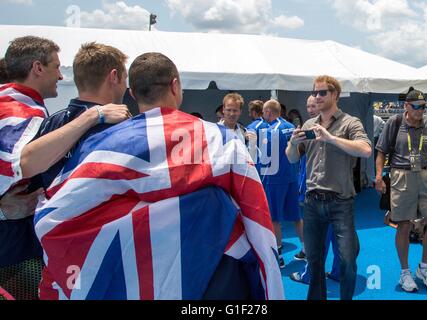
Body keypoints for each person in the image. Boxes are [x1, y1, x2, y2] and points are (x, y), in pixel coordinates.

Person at [34, 52, 284, 300]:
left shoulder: (102, 145)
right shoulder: (222, 139)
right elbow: (255, 213)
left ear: (132, 93)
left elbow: (57, 215)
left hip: (137, 274)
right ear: (175, 86)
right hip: (214, 271)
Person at [0, 36, 129, 300]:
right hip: (19, 248)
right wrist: (94, 115)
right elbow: (23, 163)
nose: (60, 76)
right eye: (56, 67)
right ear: (37, 68)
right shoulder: (16, 110)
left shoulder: (43, 116)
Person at [286, 75, 372, 300]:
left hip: (341, 202)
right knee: (314, 261)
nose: (317, 96)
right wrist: (293, 145)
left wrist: (330, 138)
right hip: (313, 202)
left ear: (335, 94)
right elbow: (292, 159)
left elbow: (365, 149)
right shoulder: (308, 124)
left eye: (322, 92)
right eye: (315, 92)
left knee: (347, 261)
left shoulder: (350, 122)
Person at [31, 42, 131, 192]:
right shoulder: (120, 126)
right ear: (114, 76)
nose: (125, 86)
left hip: (50, 212)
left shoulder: (49, 122)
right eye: (125, 78)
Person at [375, 88, 427, 293]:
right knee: (403, 225)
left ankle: (424, 267)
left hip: (425, 175)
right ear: (406, 106)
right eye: (416, 106)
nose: (420, 110)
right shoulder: (394, 122)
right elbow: (381, 151)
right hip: (401, 176)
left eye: (423, 106)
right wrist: (379, 176)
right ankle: (405, 271)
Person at [290, 95, 340, 284]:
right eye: (308, 105)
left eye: (314, 105)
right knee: (336, 233)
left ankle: (310, 274)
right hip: (334, 190)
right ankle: (337, 272)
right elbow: (295, 158)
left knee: (319, 235)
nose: (311, 109)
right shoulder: (308, 128)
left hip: (321, 190)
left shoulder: (323, 128)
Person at [259, 99, 301, 269]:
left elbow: (264, 156)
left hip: (274, 178)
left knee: (274, 218)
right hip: (291, 176)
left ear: (269, 112)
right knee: (296, 216)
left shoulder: (270, 130)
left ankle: (278, 255)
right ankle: (306, 250)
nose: (263, 115)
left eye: (264, 112)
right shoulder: (290, 126)